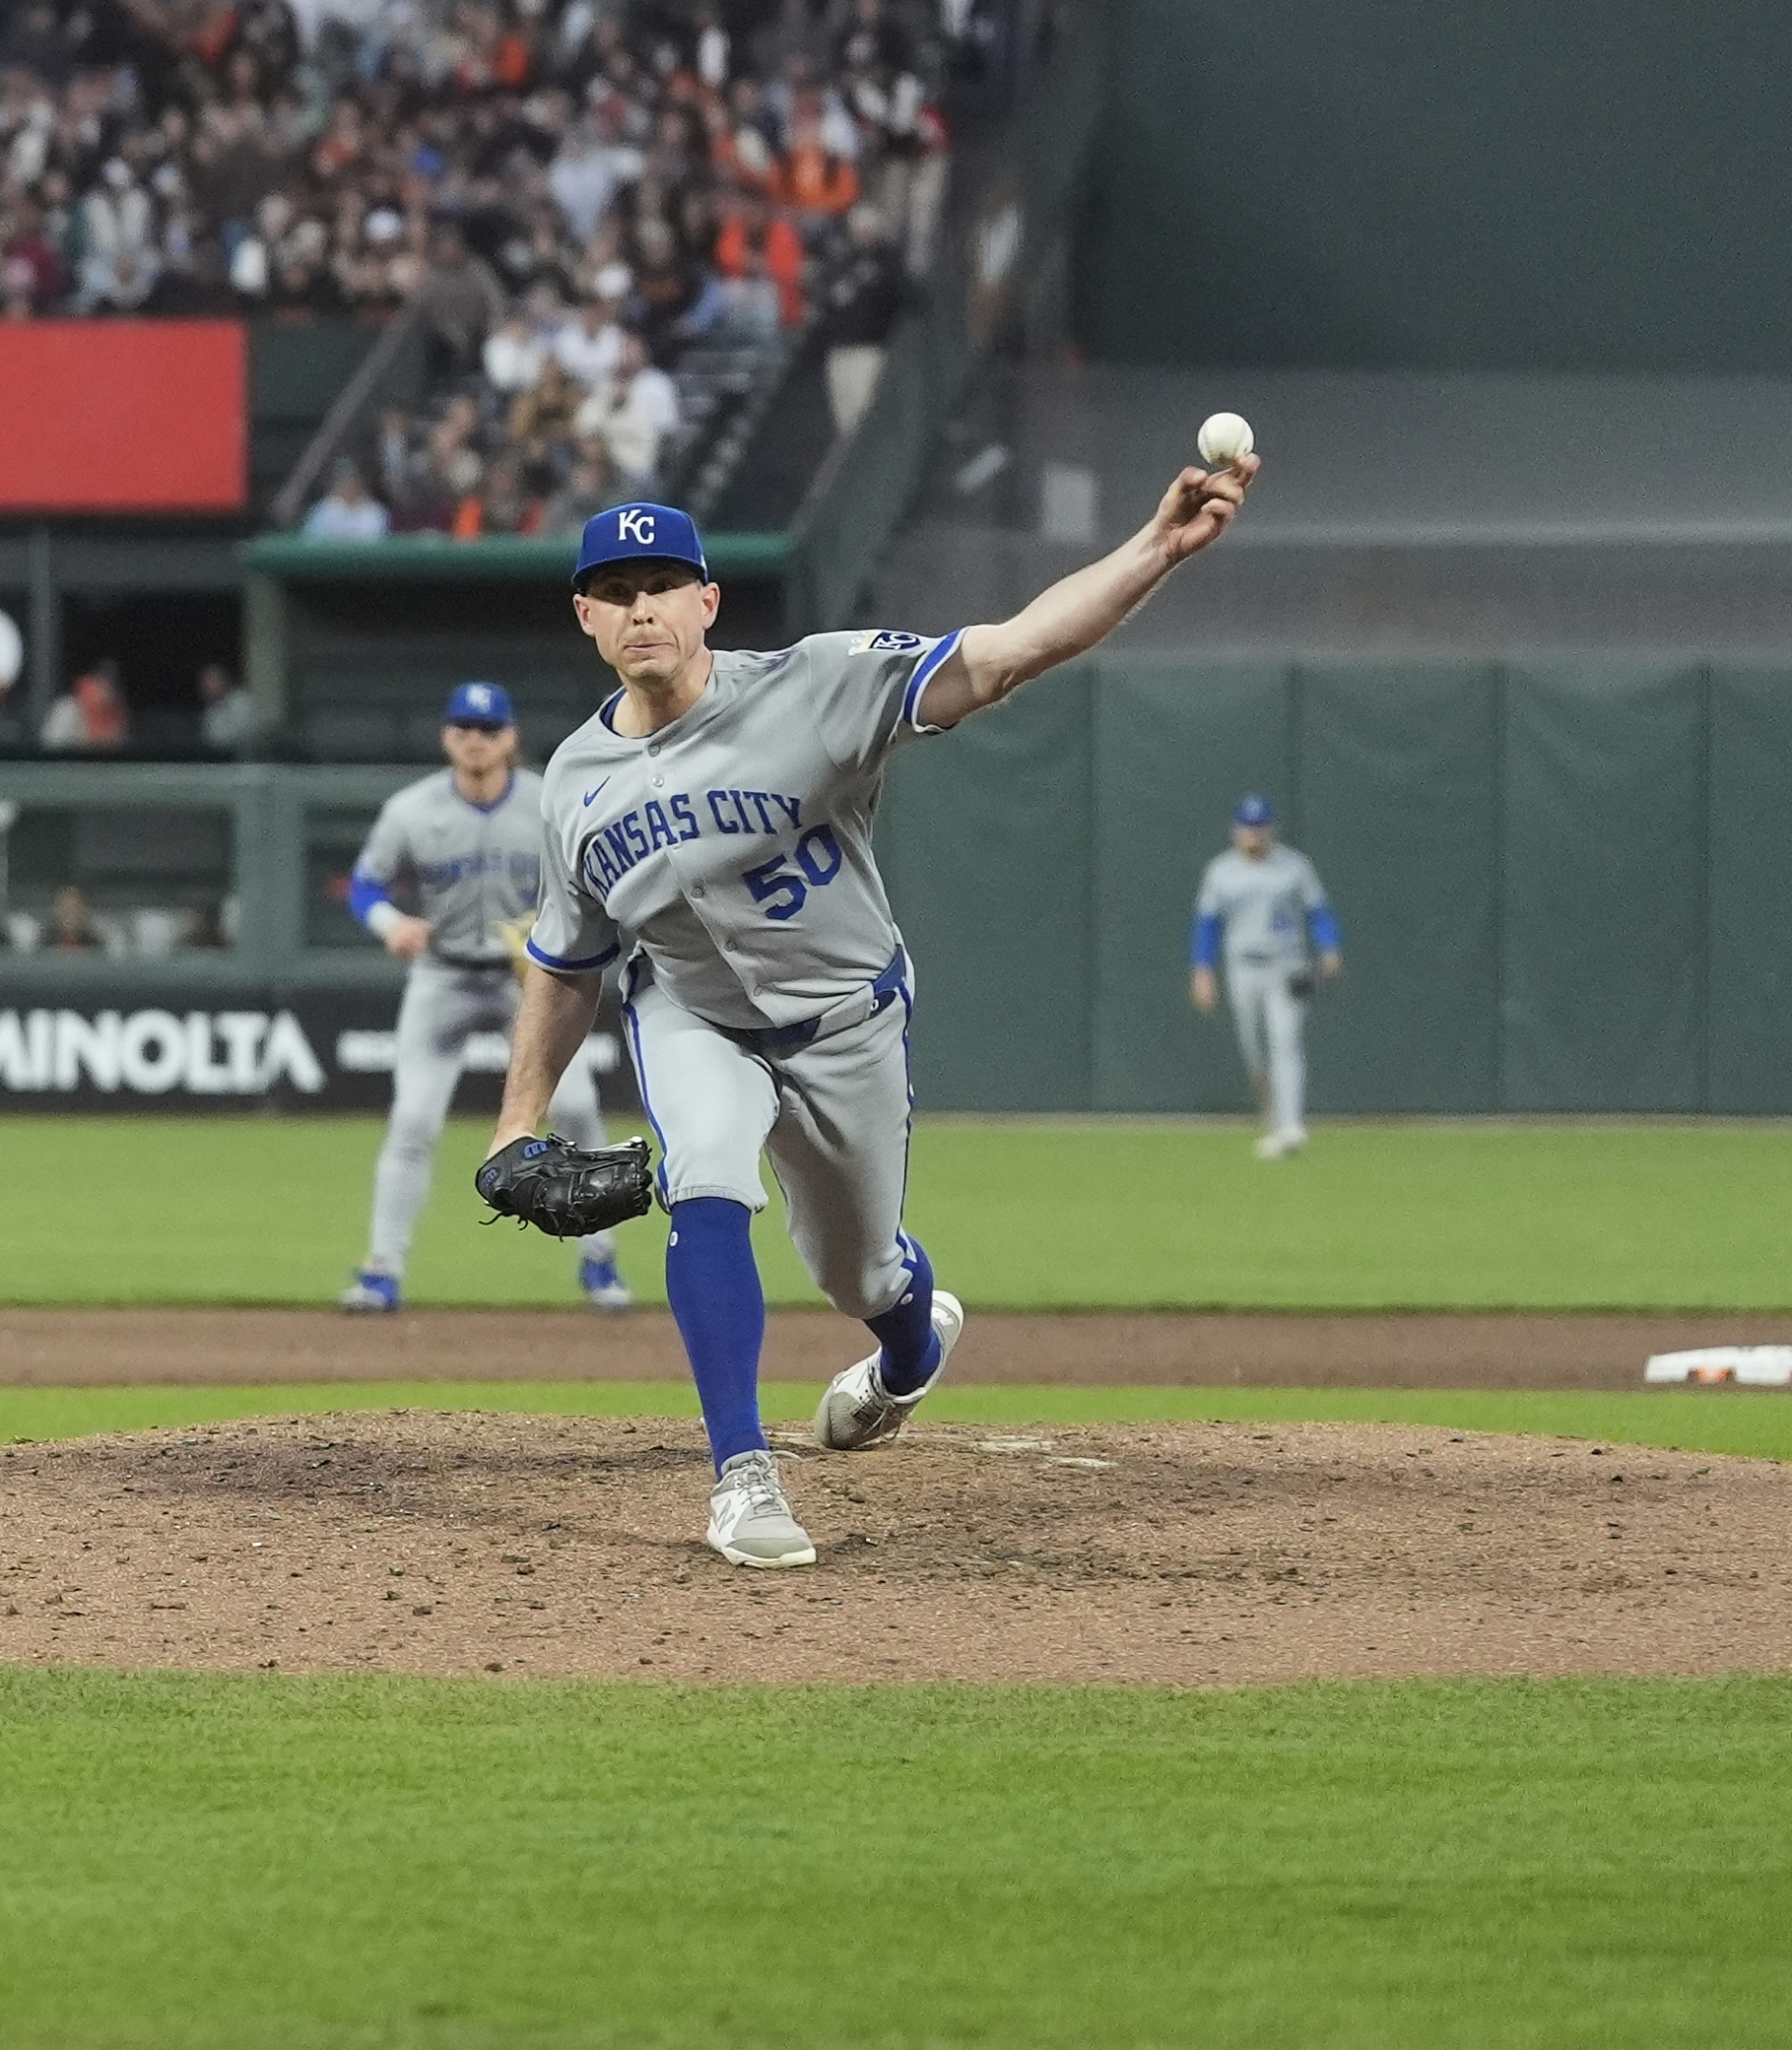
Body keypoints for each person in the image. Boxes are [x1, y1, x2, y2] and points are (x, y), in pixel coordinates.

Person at [487, 463, 1262, 1568]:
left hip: (848, 1025)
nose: (641, 607)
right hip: (695, 1017)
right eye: (616, 590)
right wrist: (517, 1121)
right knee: (704, 1180)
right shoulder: (573, 781)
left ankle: (907, 1353)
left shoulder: (815, 685)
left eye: (664, 583)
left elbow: (1005, 655)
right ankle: (741, 1478)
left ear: (710, 601)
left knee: (864, 1277)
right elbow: (566, 965)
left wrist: (1153, 548)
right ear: (586, 617)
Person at [340, 682, 629, 1316]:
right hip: (443, 974)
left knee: (577, 1106)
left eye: (488, 729)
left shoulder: (548, 804)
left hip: (530, 978)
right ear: (448, 738)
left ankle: (600, 1259)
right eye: (464, 729)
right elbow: (365, 886)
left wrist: (553, 936)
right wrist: (392, 925)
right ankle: (381, 1269)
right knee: (413, 1120)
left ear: (511, 738)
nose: (476, 740)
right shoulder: (411, 811)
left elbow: (596, 880)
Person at [1192, 794, 1340, 1158]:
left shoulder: (1295, 867)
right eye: (1248, 828)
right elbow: (1207, 925)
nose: (1254, 835)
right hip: (1243, 967)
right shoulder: (1220, 871)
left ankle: (1291, 1126)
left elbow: (1319, 911)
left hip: (1288, 966)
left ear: (1271, 830)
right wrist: (1202, 970)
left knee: (1285, 1042)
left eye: (1260, 828)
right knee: (1254, 1050)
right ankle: (1274, 1116)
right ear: (1235, 831)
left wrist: (1330, 947)